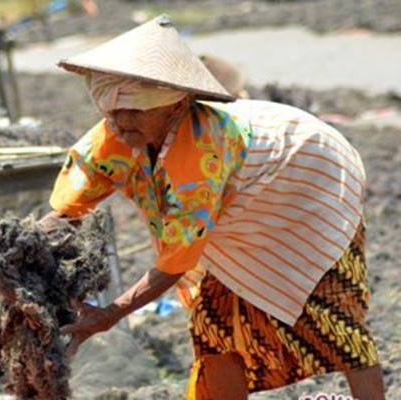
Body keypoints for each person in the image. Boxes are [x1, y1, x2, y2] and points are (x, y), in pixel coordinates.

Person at [39, 15, 386, 400]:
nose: (120, 126)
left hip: (307, 181)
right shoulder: (115, 136)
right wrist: (25, 252)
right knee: (213, 322)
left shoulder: (203, 152)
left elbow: (177, 260)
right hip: (238, 201)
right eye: (111, 114)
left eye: (133, 112)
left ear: (175, 106)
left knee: (331, 312)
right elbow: (68, 207)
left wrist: (112, 313)